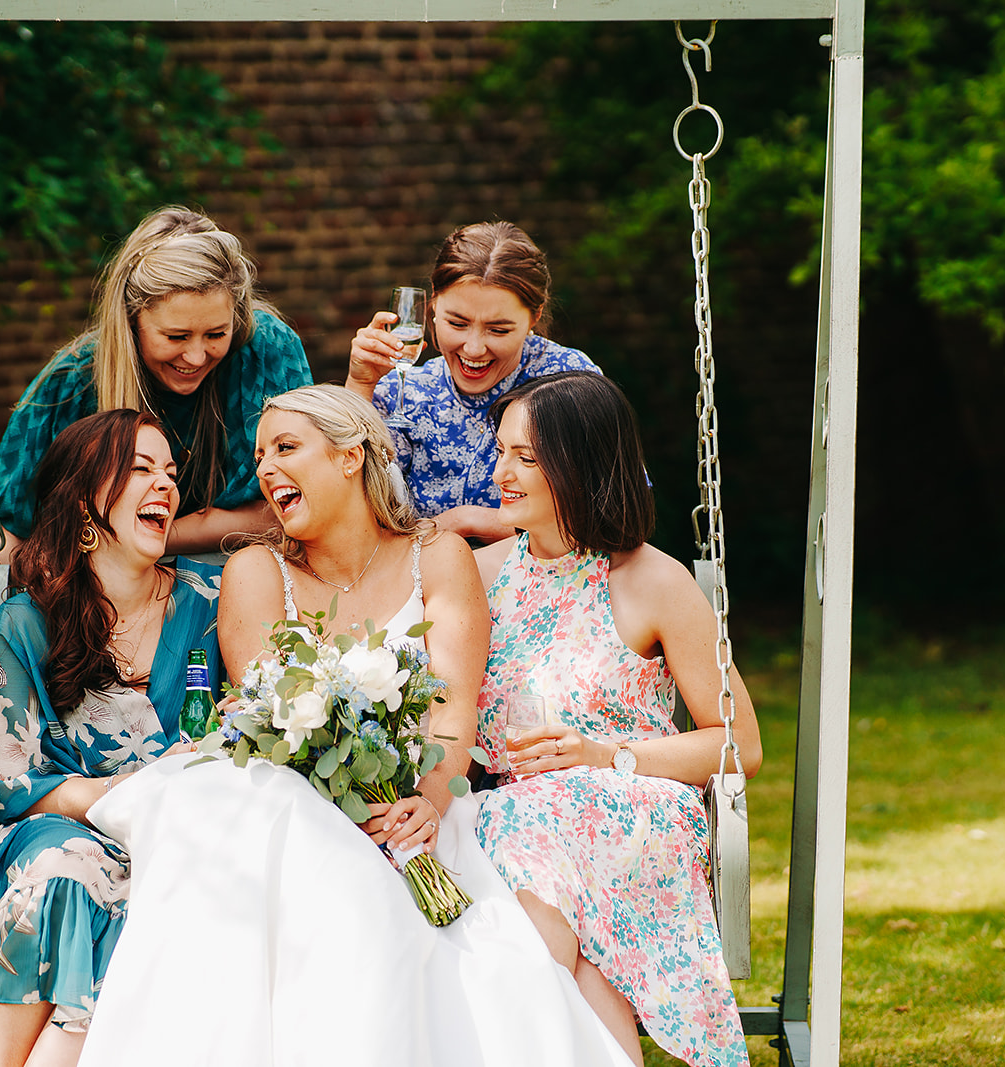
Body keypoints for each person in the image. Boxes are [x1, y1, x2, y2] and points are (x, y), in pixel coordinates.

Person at [73, 385, 633, 1066]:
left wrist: (428, 800)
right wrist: (354, 802)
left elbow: (456, 709)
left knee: (472, 959)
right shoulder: (256, 570)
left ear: (350, 456)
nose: (266, 469)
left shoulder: (438, 555)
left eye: (286, 447)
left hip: (416, 809)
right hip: (290, 802)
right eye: (260, 455)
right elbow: (271, 718)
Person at [471, 371, 764, 1067]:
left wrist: (603, 754)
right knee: (568, 928)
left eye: (526, 458)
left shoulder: (653, 580)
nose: (500, 472)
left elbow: (739, 743)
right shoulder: (480, 575)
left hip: (631, 810)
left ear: (580, 465)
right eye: (502, 450)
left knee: (529, 846)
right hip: (517, 815)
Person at [0, 409, 222, 1067]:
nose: (166, 486)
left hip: (178, 835)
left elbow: (236, 728)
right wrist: (113, 793)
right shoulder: (27, 619)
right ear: (88, 498)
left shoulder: (207, 605)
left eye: (171, 473)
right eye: (142, 469)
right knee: (64, 873)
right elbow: (7, 778)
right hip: (54, 825)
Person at [0, 206, 311, 616]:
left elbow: (286, 504)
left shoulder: (266, 352)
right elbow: (21, 532)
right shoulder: (69, 384)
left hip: (246, 596)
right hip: (106, 611)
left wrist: (148, 534)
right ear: (131, 319)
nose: (196, 356)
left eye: (216, 333)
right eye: (175, 336)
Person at [344, 221, 600, 543]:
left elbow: (605, 507)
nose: (474, 348)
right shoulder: (400, 391)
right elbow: (346, 511)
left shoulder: (569, 378)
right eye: (458, 323)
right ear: (433, 305)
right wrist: (359, 386)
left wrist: (468, 521)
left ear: (534, 317)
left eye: (498, 330)